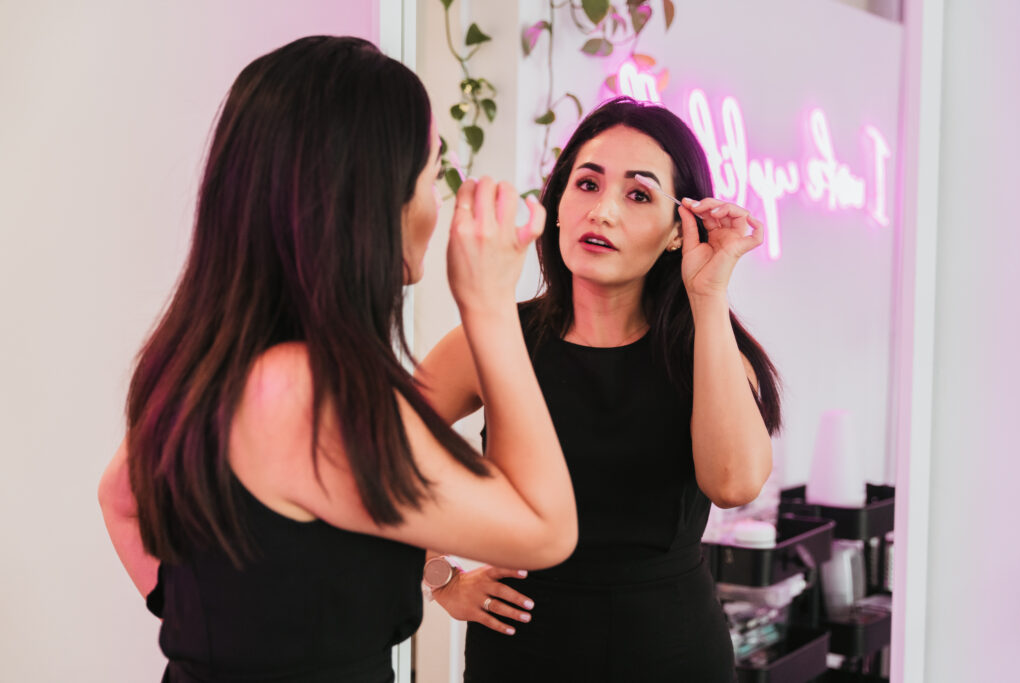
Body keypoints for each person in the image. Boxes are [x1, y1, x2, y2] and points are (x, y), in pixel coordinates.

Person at [97, 36, 578, 683]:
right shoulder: (307, 395)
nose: (435, 204)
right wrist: (489, 307)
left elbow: (118, 497)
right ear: (373, 198)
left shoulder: (206, 360)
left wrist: (210, 633)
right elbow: (546, 529)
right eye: (431, 174)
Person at [416, 96, 782, 682]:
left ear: (674, 234)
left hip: (673, 651)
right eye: (587, 184)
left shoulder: (705, 354)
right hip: (521, 651)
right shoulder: (495, 337)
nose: (603, 211)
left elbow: (734, 484)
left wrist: (708, 295)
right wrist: (437, 574)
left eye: (638, 195)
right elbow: (374, 447)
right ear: (558, 204)